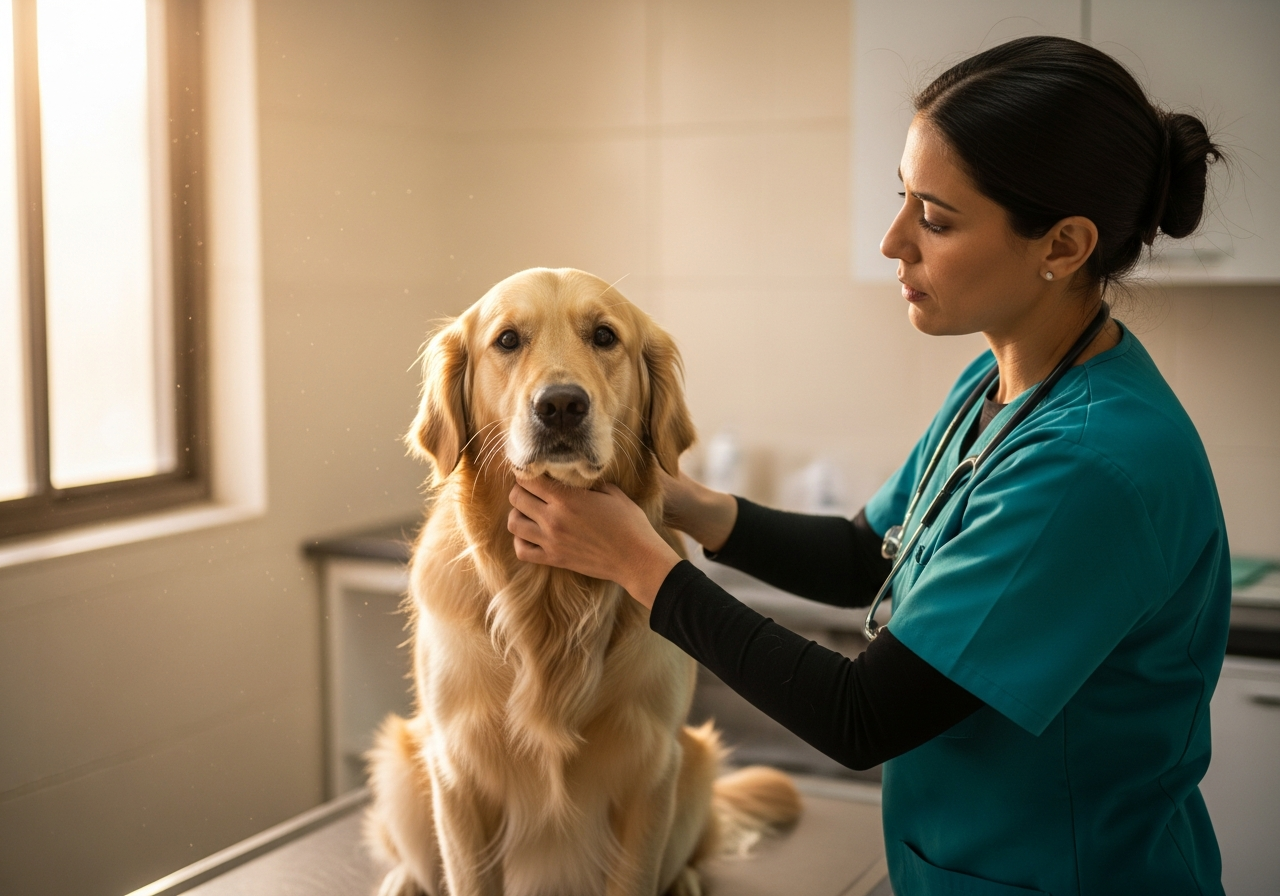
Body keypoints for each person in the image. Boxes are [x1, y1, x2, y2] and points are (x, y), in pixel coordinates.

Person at [507, 35, 1230, 896]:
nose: (893, 242)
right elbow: (863, 558)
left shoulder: (1089, 467)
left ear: (1065, 246)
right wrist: (683, 505)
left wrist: (636, 561)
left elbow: (862, 715)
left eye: (936, 218)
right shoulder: (998, 387)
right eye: (903, 200)